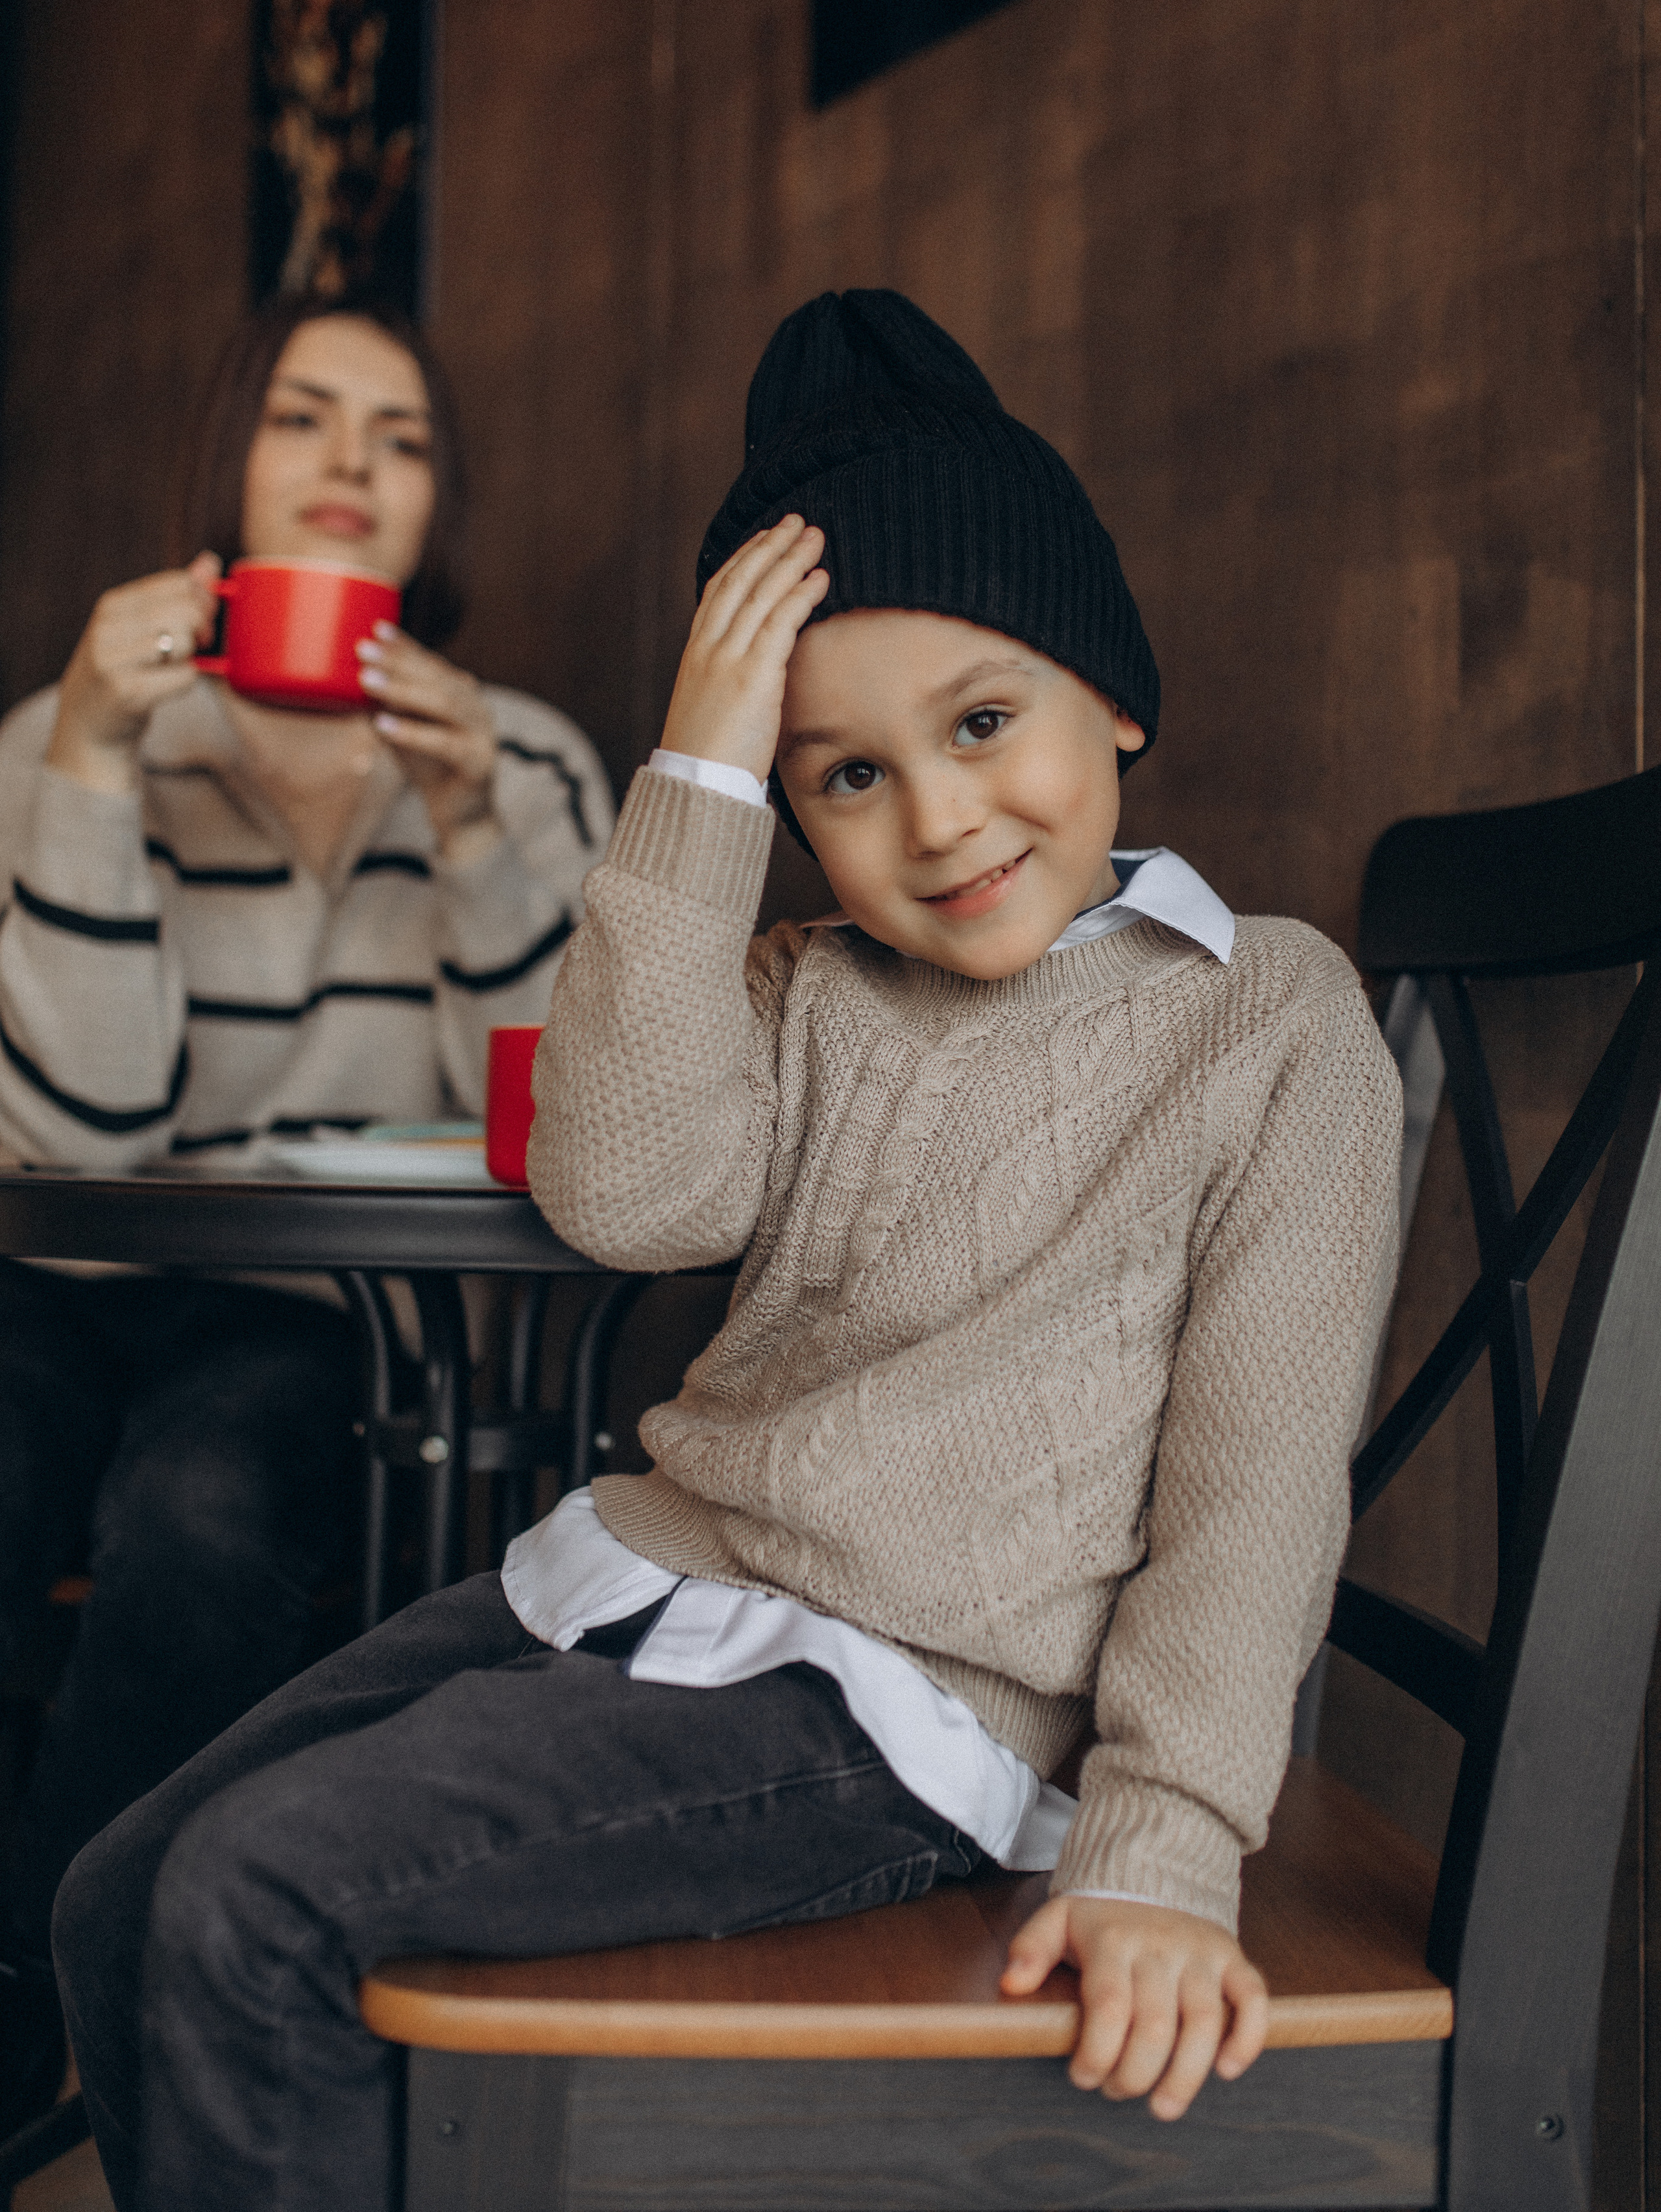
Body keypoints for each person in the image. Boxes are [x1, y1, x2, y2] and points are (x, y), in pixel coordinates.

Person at [53, 290, 1400, 2211]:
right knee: (122, 1888)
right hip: (661, 1584)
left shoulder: (1267, 1017)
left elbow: (1255, 1503)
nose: (939, 819)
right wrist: (687, 790)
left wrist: (1162, 1845)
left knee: (248, 1910)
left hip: (909, 1699)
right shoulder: (798, 986)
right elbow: (632, 1195)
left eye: (986, 723)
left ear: (1115, 697)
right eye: (842, 777)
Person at [0, 294, 613, 2143]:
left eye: (401, 437)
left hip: (313, 1307)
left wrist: (479, 827)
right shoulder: (65, 735)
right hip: (52, 1279)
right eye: (304, 419)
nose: (352, 465)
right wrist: (96, 768)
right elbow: (89, 1130)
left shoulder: (529, 760)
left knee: (206, 1512)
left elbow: (575, 1134)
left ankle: (54, 1997)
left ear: (435, 515)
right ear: (231, 468)